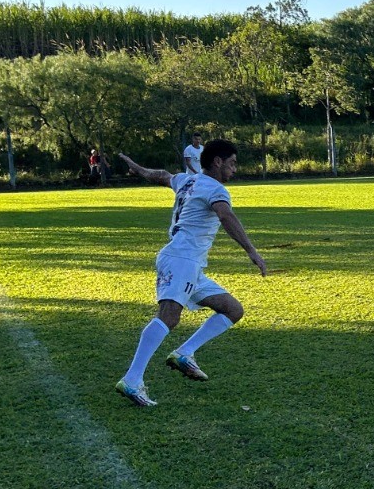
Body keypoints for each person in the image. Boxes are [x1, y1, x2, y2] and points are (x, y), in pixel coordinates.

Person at [113, 140, 266, 408]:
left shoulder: (186, 180)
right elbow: (226, 217)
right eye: (232, 163)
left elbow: (161, 175)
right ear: (217, 162)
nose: (234, 169)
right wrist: (251, 251)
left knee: (232, 310)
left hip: (188, 263)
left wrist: (136, 168)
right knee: (169, 316)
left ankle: (184, 353)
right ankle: (132, 379)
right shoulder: (216, 189)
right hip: (181, 260)